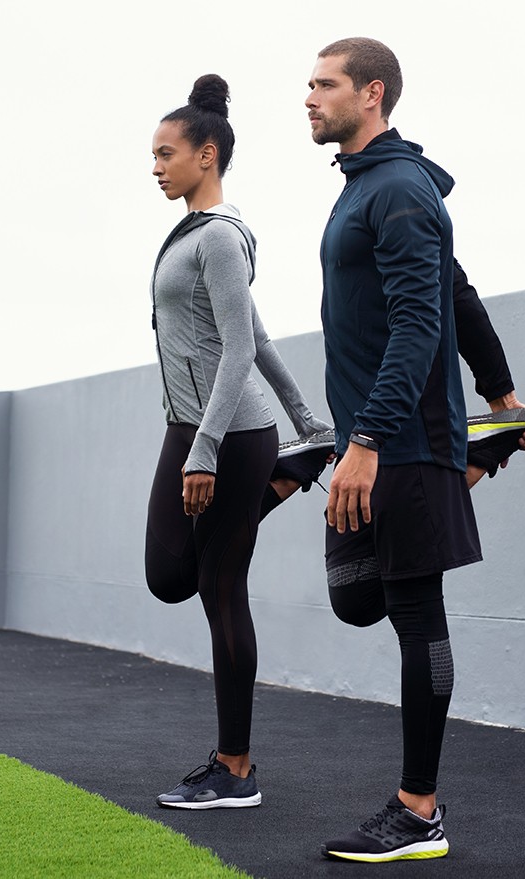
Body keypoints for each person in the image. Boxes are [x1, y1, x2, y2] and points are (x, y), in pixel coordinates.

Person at [306, 37, 525, 862]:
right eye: (308, 84)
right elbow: (456, 288)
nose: (310, 98)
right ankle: (478, 459)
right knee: (353, 595)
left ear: (372, 94)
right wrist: (501, 389)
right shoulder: (367, 188)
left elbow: (422, 319)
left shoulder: (401, 188)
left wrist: (369, 440)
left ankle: (419, 811)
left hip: (399, 438)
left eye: (325, 85)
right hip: (378, 441)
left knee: (415, 615)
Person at [145, 73, 333, 809]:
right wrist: (309, 419)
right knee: (170, 573)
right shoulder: (193, 235)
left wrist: (206, 450)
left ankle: (236, 768)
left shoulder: (220, 237)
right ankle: (288, 473)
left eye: (167, 153)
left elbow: (237, 351)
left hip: (225, 433)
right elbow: (253, 333)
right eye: (153, 155)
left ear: (208, 154)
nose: (156, 166)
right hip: (192, 427)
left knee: (221, 590)